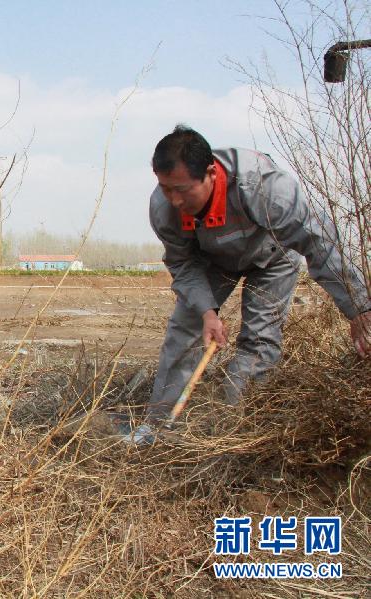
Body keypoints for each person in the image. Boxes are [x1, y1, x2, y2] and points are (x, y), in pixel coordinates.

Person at [131, 125, 371, 444]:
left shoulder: (263, 186)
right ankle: (157, 427)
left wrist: (359, 308)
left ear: (210, 173)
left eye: (182, 190)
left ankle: (235, 427)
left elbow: (319, 243)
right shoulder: (164, 209)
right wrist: (207, 312)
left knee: (260, 340)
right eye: (165, 188)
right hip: (213, 262)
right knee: (185, 329)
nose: (174, 200)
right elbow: (183, 264)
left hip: (273, 256)